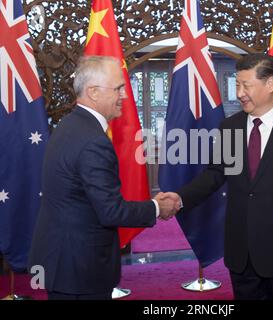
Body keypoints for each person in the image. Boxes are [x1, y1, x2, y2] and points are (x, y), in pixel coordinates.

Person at [161, 53, 273, 300]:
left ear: (270, 84)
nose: (239, 93)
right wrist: (180, 198)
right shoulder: (231, 127)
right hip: (242, 251)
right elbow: (215, 174)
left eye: (246, 85)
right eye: (237, 84)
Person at [28, 55, 178, 300]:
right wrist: (156, 207)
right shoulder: (93, 140)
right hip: (80, 270)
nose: (125, 95)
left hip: (62, 260)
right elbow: (110, 211)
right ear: (94, 92)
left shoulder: (69, 125)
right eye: (119, 88)